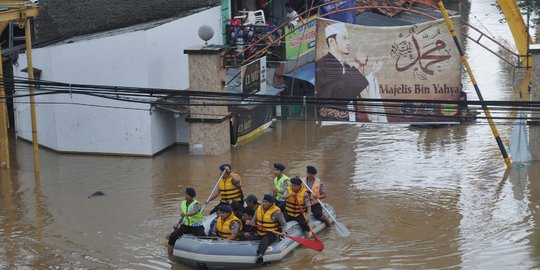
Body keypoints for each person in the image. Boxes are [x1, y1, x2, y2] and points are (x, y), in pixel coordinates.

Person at [316, 22, 386, 122]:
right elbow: (337, 96)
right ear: (332, 42)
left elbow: (357, 93)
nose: (349, 43)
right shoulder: (321, 65)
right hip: (333, 126)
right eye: (344, 38)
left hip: (351, 123)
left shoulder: (346, 66)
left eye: (349, 39)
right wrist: (358, 64)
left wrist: (373, 73)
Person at [247, 194, 287, 264]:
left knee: (265, 239)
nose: (263, 203)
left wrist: (284, 232)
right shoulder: (258, 209)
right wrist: (249, 222)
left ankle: (260, 255)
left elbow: (284, 224)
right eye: (263, 201)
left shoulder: (277, 212)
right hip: (260, 232)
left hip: (272, 233)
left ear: (271, 203)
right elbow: (254, 221)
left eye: (266, 202)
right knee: (250, 238)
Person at [167, 187, 205, 256]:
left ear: (192, 196)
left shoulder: (197, 204)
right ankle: (169, 254)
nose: (186, 196)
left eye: (188, 195)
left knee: (203, 239)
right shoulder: (183, 203)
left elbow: (194, 212)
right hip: (186, 225)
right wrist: (178, 224)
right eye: (186, 194)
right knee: (173, 236)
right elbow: (183, 216)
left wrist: (185, 214)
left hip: (196, 226)